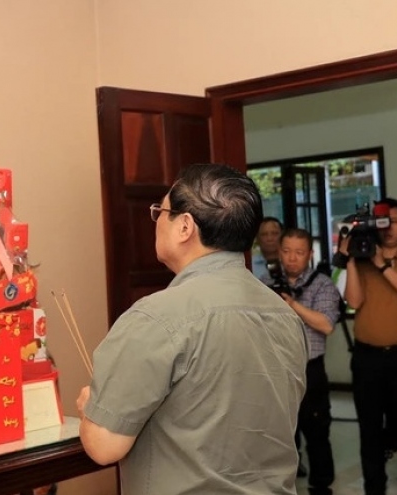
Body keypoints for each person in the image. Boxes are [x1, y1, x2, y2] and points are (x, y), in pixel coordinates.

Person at [76, 163, 308, 494]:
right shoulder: (284, 315)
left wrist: (90, 408)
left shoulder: (157, 316)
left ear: (185, 226)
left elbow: (104, 446)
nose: (156, 222)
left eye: (160, 212)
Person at [340, 197, 397, 495]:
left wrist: (381, 264)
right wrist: (351, 260)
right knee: (370, 430)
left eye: (394, 221)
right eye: (383, 222)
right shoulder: (362, 262)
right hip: (367, 360)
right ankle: (374, 489)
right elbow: (354, 302)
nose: (388, 228)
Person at [261, 228, 340, 495]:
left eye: (299, 252)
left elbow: (326, 324)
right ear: (279, 252)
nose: (292, 258)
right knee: (279, 434)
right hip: (277, 368)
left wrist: (292, 305)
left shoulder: (322, 284)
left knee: (317, 431)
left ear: (309, 254)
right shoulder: (265, 282)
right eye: (286, 251)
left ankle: (321, 486)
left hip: (310, 369)